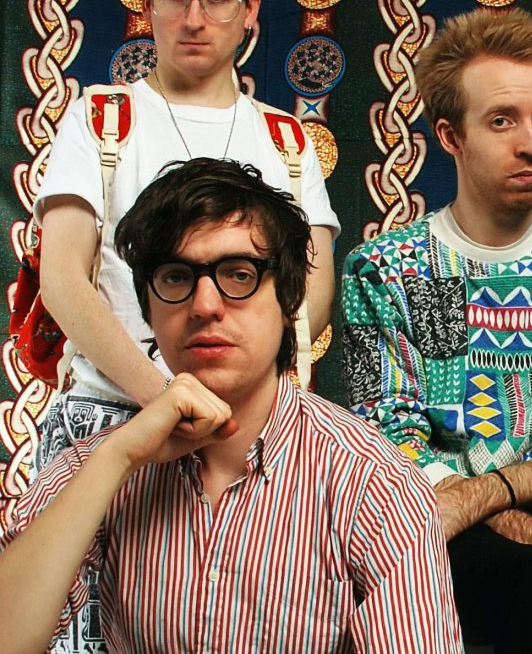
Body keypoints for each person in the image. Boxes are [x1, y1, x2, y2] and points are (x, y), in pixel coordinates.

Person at [31, 0, 338, 653]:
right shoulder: (101, 118)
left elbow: (313, 286)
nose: (193, 18)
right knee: (71, 632)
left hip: (245, 432)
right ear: (148, 2)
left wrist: (248, 403)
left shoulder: (285, 138)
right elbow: (62, 280)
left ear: (250, 9)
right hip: (111, 416)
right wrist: (163, 398)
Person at [0, 159, 462, 654]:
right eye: (176, 277)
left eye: (239, 274)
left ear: (289, 301)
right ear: (149, 310)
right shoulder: (103, 462)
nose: (204, 305)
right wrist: (117, 458)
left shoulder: (374, 481)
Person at [340, 7, 532, 653]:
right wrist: (523, 526)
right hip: (432, 516)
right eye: (503, 120)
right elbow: (390, 438)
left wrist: (503, 503)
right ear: (450, 136)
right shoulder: (389, 270)